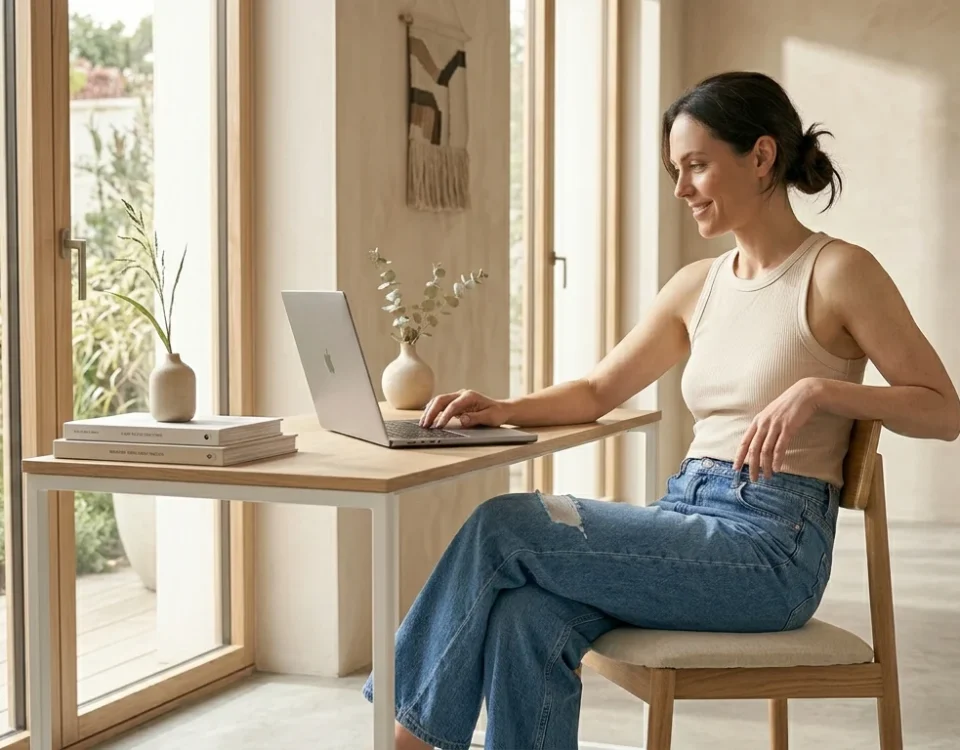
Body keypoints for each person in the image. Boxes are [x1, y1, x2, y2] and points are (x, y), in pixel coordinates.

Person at [363, 71, 960, 750]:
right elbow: (596, 391)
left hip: (771, 550)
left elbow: (944, 412)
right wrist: (499, 407)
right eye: (676, 170)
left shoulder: (838, 272)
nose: (681, 190)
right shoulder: (695, 287)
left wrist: (823, 390)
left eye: (697, 166)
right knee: (526, 616)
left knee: (508, 524)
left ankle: (399, 741)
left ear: (761, 157)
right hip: (686, 518)